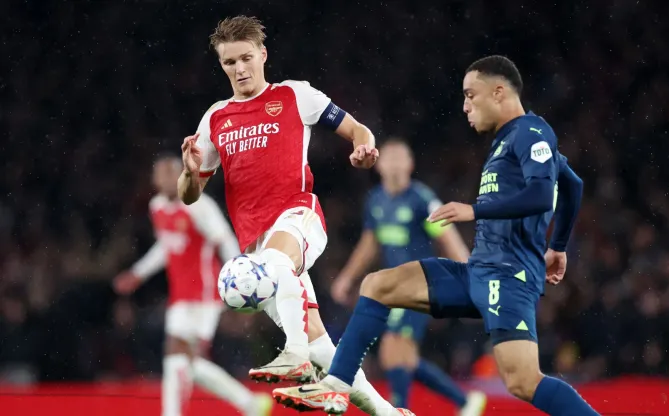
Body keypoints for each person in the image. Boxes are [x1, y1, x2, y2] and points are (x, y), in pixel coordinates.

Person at [273, 55, 599, 416]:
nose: (464, 106)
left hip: (509, 276)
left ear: (499, 91)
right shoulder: (507, 140)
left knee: (523, 381)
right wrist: (558, 248)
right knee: (377, 286)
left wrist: (475, 211)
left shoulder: (530, 132)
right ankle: (336, 386)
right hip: (478, 271)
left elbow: (541, 195)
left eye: (470, 95)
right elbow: (573, 185)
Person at [178, 15, 412, 416]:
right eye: (229, 63)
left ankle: (295, 354)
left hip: (298, 217)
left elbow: (358, 130)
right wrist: (188, 171)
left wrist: (363, 148)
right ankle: (388, 413)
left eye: (245, 58)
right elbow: (189, 195)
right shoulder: (216, 118)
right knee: (325, 348)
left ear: (262, 55)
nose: (239, 69)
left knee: (278, 268)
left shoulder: (294, 96)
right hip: (255, 250)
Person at [331, 139, 486, 415]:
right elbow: (369, 245)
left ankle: (399, 410)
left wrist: (470, 274)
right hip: (393, 287)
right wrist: (347, 277)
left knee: (393, 349)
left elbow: (447, 237)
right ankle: (465, 402)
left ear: (410, 165)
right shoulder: (376, 200)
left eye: (400, 158)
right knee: (404, 359)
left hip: (420, 283)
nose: (394, 163)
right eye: (389, 157)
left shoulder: (421, 199)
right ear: (378, 165)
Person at [113, 155, 272, 416]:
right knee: (183, 362)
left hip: (204, 293)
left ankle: (237, 404)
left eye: (171, 173)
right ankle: (249, 404)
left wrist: (240, 281)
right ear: (154, 180)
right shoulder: (157, 207)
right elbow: (167, 245)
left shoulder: (199, 206)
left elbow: (224, 241)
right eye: (160, 174)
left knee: (179, 356)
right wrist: (138, 273)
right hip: (180, 295)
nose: (165, 179)